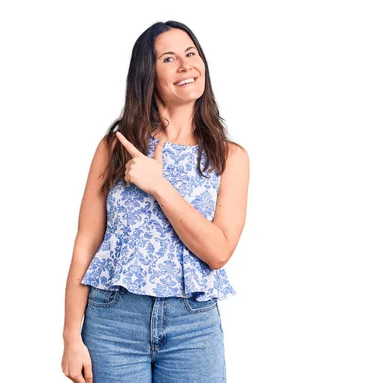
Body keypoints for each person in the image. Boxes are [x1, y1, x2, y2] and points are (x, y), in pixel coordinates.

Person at [61, 20, 249, 383]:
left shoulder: (230, 157)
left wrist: (159, 186)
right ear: (148, 75)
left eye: (191, 54)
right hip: (112, 322)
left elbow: (219, 251)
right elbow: (86, 244)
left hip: (193, 327)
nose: (185, 65)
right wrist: (71, 336)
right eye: (169, 58)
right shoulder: (114, 148)